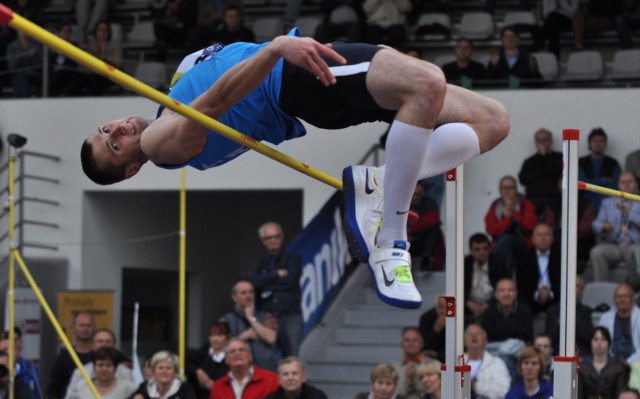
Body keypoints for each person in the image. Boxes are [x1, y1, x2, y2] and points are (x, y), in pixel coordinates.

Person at [79, 29, 510, 310]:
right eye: (115, 145)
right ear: (132, 167)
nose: (118, 128)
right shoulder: (159, 144)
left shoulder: (171, 90)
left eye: (106, 129)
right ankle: (392, 239)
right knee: (428, 82)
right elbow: (213, 105)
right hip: (295, 78)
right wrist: (275, 49)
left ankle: (378, 181)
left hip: (306, 73)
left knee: (492, 121)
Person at [251, 222, 303, 358]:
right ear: (263, 241)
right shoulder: (261, 263)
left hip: (290, 316)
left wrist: (266, 282)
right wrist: (276, 275)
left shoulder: (293, 259)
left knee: (291, 357)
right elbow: (255, 282)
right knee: (266, 357)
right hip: (268, 317)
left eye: (276, 236)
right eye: (269, 238)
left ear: (282, 237)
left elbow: (291, 281)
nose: (273, 240)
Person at [590, 172, 640, 282]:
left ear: (637, 184)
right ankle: (600, 290)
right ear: (618, 185)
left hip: (634, 244)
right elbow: (595, 224)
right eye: (623, 182)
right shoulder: (607, 203)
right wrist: (604, 227)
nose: (626, 185)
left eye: (630, 182)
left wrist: (629, 213)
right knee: (596, 252)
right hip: (613, 244)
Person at [220, 278, 279, 371]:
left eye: (251, 292)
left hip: (267, 372)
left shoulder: (265, 316)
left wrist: (251, 318)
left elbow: (271, 338)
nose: (248, 296)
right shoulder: (225, 320)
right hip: (239, 373)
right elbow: (221, 348)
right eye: (243, 293)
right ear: (234, 297)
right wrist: (245, 336)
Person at [481, 278, 533, 383]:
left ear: (516, 293)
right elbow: (487, 342)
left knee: (506, 359)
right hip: (493, 354)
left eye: (510, 290)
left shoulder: (524, 310)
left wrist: (504, 348)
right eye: (502, 290)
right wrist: (505, 347)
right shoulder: (488, 313)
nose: (506, 294)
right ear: (496, 294)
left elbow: (525, 340)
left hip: (518, 354)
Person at [485, 176, 537, 279]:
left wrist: (514, 213)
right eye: (504, 188)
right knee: (508, 256)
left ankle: (492, 273)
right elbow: (491, 230)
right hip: (502, 245)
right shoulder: (496, 205)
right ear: (500, 191)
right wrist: (507, 219)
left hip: (523, 242)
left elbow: (529, 227)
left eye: (510, 188)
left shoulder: (525, 203)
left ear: (516, 190)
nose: (507, 191)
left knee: (507, 240)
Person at [64, 328, 134, 397]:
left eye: (107, 341)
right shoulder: (80, 374)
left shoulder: (126, 374)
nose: (104, 344)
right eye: (100, 341)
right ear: (93, 345)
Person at [48, 311, 96, 399]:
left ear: (94, 328)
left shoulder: (101, 356)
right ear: (74, 328)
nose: (85, 329)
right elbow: (53, 388)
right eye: (82, 325)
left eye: (89, 325)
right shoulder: (63, 357)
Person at [518, 128, 563, 220]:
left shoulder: (559, 157)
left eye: (544, 139)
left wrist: (543, 158)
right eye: (539, 140)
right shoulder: (529, 161)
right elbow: (523, 179)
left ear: (550, 141)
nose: (541, 142)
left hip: (553, 201)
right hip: (533, 201)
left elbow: (556, 170)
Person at [211, 338, 279, 399]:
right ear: (226, 360)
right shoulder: (218, 386)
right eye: (232, 351)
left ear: (250, 357)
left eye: (242, 350)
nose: (237, 353)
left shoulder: (271, 379)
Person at [516, 223, 561, 315]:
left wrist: (550, 294)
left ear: (552, 239)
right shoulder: (524, 257)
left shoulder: (561, 257)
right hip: (531, 300)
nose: (543, 238)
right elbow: (522, 285)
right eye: (539, 235)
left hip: (556, 299)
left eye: (546, 235)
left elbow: (562, 284)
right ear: (533, 239)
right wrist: (537, 295)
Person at [545, 275, 594, 357]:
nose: (572, 289)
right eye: (569, 285)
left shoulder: (586, 312)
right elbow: (549, 339)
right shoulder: (552, 311)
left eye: (576, 286)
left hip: (582, 355)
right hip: (557, 355)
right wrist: (560, 324)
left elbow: (588, 338)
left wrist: (572, 321)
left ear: (581, 290)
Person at [65, 346, 138, 399]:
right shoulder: (81, 386)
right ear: (94, 367)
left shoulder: (129, 387)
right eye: (100, 365)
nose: (104, 369)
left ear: (115, 368)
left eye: (108, 365)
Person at [464, 233, 506, 323]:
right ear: (471, 251)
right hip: (468, 307)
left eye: (485, 248)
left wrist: (487, 306)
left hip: (493, 305)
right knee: (449, 306)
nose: (482, 252)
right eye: (477, 249)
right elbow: (457, 288)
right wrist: (468, 303)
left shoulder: (498, 264)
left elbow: (503, 288)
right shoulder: (464, 264)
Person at [578, 326, 628, 399]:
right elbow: (579, 395)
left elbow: (620, 395)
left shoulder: (618, 367)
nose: (599, 343)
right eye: (596, 339)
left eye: (603, 339)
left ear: (609, 343)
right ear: (591, 342)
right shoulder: (582, 367)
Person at [579, 127, 622, 213]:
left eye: (601, 141)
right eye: (595, 141)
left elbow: (614, 185)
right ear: (590, 143)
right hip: (584, 200)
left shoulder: (613, 163)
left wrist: (592, 182)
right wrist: (604, 180)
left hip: (608, 199)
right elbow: (582, 184)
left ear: (605, 144)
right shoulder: (580, 162)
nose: (598, 144)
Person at [463, 324, 511, 399]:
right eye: (470, 334)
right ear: (464, 342)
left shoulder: (497, 363)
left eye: (478, 334)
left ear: (485, 340)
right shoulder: (457, 362)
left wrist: (475, 386)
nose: (474, 336)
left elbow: (503, 391)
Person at [599, 283, 640, 363]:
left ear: (632, 299)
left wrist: (628, 362)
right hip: (610, 362)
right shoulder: (606, 318)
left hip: (635, 363)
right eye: (619, 297)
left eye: (625, 296)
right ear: (614, 300)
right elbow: (599, 343)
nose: (622, 299)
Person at [407, 182, 444, 272]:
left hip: (423, 242)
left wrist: (411, 230)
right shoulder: (402, 203)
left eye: (418, 194)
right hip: (408, 242)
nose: (415, 197)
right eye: (413, 194)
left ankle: (426, 260)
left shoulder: (429, 203)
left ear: (423, 191)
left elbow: (433, 220)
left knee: (434, 230)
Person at [188, 321, 230, 399]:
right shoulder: (202, 353)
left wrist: (216, 387)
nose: (215, 339)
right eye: (212, 335)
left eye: (219, 335)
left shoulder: (232, 356)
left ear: (227, 336)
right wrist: (197, 371)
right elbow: (184, 363)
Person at [132, 350, 197, 399]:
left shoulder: (185, 389)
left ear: (175, 372)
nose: (164, 371)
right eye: (160, 368)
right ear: (154, 371)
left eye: (168, 368)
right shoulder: (144, 388)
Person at [0, 328, 41, 399]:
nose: (5, 355)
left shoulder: (30, 370)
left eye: (7, 350)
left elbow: (37, 392)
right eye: (2, 352)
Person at [84, 20, 123, 96]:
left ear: (109, 32)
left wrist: (98, 59)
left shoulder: (115, 45)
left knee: (95, 78)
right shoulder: (91, 46)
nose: (102, 32)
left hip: (110, 76)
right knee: (77, 78)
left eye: (105, 30)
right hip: (93, 74)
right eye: (100, 30)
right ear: (96, 32)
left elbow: (118, 64)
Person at [392, 327, 431, 399]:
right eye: (407, 340)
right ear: (401, 345)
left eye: (415, 340)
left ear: (421, 344)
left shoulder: (433, 365)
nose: (411, 343)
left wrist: (414, 379)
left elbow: (434, 393)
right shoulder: (393, 368)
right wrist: (408, 382)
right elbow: (392, 394)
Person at [50, 21, 85, 97]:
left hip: (70, 72)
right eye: (63, 31)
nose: (66, 33)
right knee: (55, 77)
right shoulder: (53, 46)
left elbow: (77, 63)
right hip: (57, 73)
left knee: (77, 77)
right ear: (59, 33)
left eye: (68, 31)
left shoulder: (75, 46)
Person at [6, 29, 41, 98]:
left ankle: (22, 101)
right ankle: (24, 99)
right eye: (21, 30)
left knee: (19, 78)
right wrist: (27, 55)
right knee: (20, 75)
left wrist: (33, 56)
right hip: (17, 75)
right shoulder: (12, 46)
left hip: (33, 74)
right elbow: (12, 65)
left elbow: (39, 64)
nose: (24, 32)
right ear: (17, 31)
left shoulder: (35, 44)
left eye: (25, 30)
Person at [418, 296, 446, 362]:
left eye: (449, 308)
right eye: (442, 307)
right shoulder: (427, 318)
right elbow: (425, 348)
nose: (445, 311)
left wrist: (438, 354)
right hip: (432, 362)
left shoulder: (463, 319)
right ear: (436, 309)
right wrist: (436, 330)